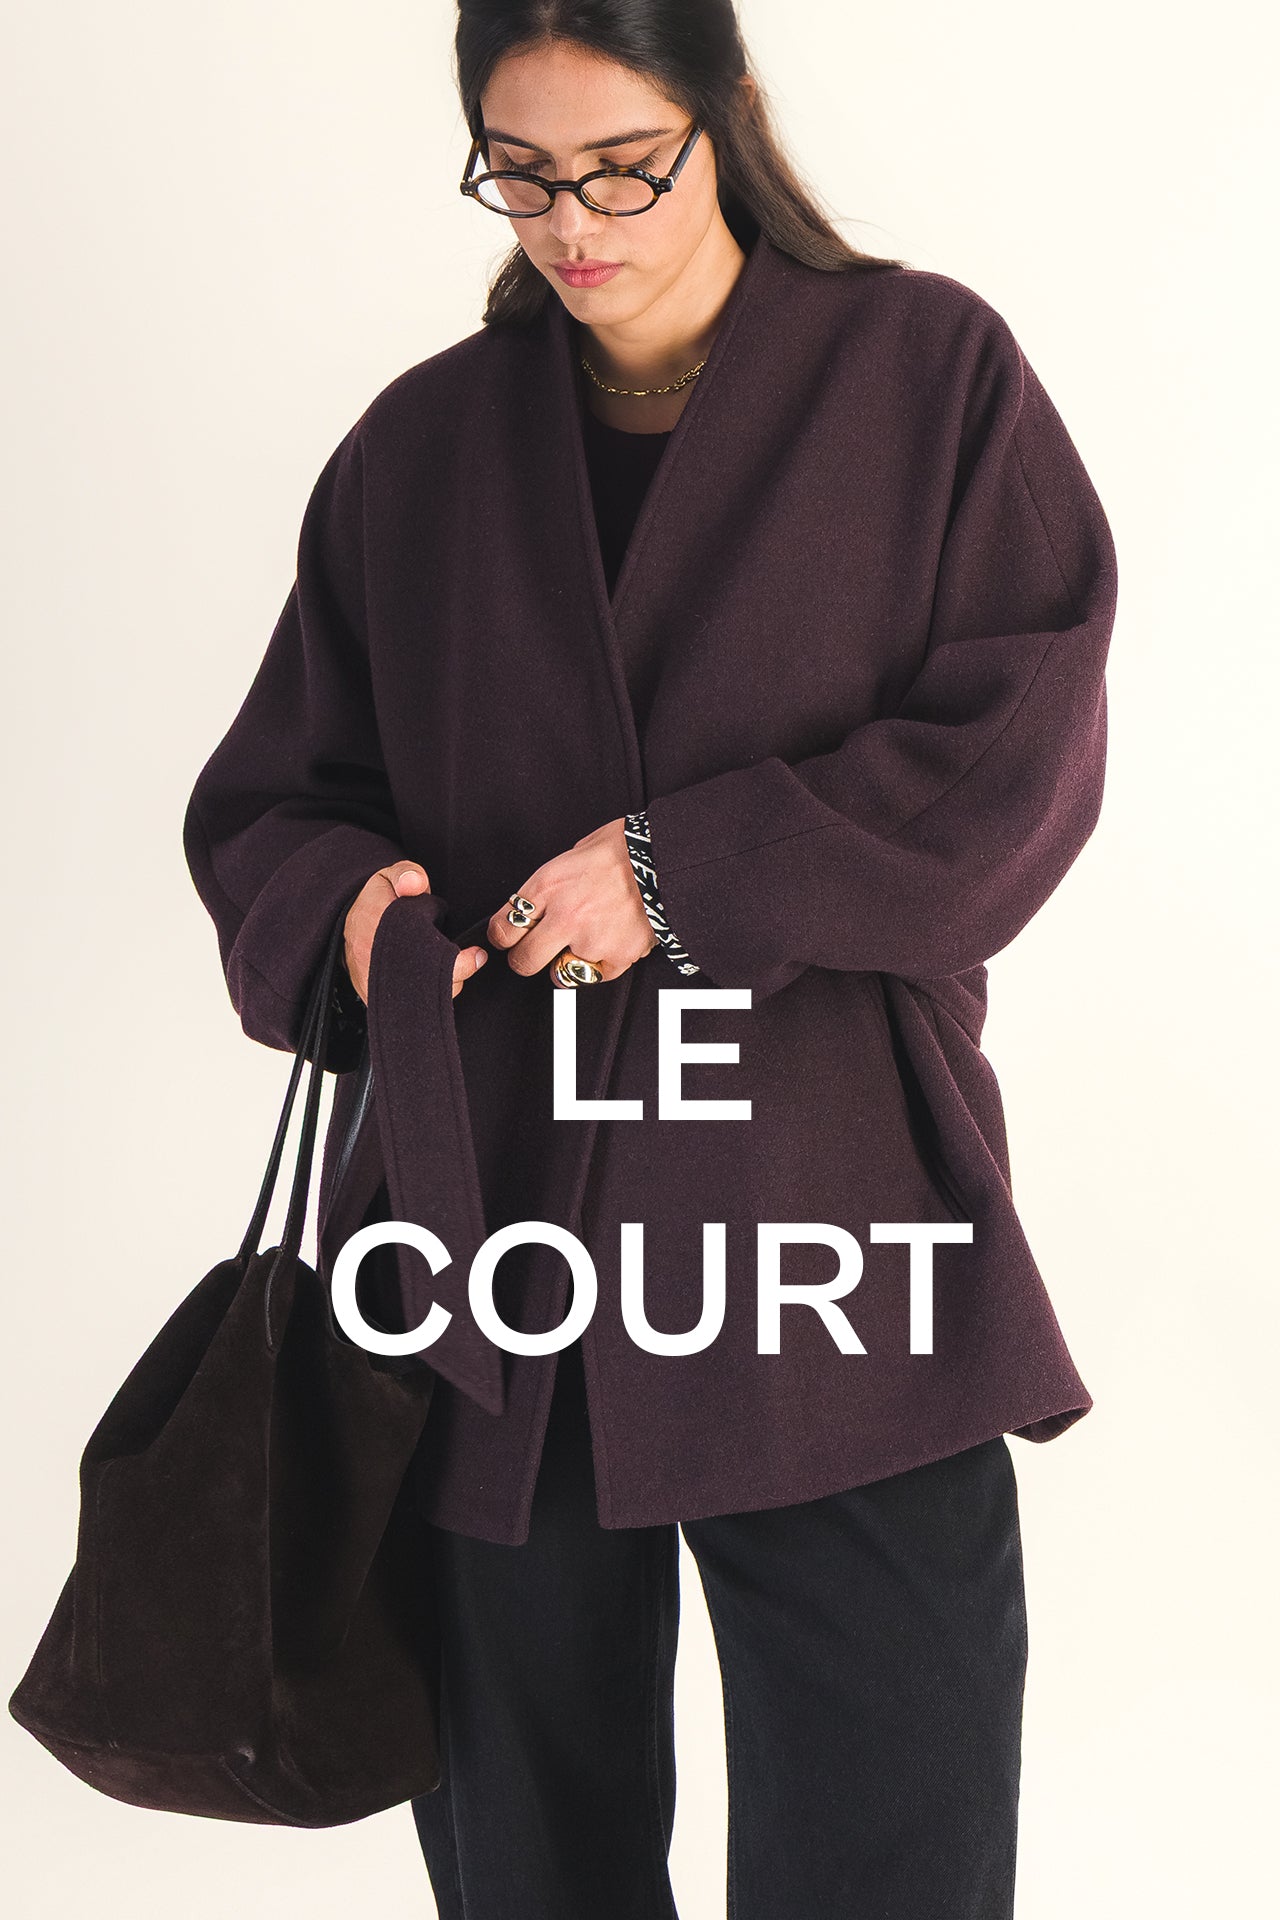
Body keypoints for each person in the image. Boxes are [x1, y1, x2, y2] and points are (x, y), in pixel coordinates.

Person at [183, 2, 1118, 1914]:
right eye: (521, 174)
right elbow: (275, 800)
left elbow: (1018, 755)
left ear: (726, 119)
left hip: (826, 1235)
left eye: (623, 168)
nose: (571, 223)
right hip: (494, 1256)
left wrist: (682, 876)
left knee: (894, 1844)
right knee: (527, 1863)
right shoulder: (421, 449)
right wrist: (349, 911)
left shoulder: (926, 375)